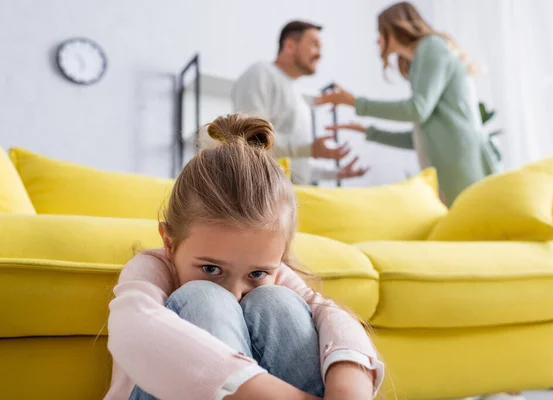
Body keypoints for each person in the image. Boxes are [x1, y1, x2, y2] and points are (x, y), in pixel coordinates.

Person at [104, 114, 383, 400]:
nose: (235, 292)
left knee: (279, 302)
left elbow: (330, 314)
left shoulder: (273, 274)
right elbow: (132, 329)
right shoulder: (153, 267)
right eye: (211, 268)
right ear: (170, 243)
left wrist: (349, 381)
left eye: (256, 273)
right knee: (206, 297)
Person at [314, 2, 501, 205]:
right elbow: (419, 137)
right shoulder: (423, 57)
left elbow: (417, 110)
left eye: (379, 31)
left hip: (460, 160)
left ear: (393, 28)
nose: (377, 40)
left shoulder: (432, 46)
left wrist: (355, 103)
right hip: (452, 160)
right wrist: (367, 132)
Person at [232, 21, 369, 185]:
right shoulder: (260, 73)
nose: (320, 54)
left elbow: (297, 165)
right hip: (268, 202)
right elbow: (251, 141)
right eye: (314, 45)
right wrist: (309, 149)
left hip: (293, 201)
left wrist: (338, 173)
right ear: (290, 46)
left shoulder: (298, 95)